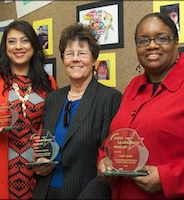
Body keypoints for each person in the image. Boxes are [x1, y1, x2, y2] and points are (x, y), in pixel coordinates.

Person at [97, 12, 184, 199]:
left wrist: (167, 178)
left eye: (161, 38)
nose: (152, 45)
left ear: (176, 42)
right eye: (143, 40)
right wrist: (104, 160)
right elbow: (117, 137)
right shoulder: (133, 86)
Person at [33, 22, 122, 199]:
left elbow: (110, 162)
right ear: (63, 59)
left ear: (94, 59)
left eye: (82, 53)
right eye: (69, 54)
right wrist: (39, 165)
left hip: (83, 194)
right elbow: (46, 148)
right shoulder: (53, 99)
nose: (75, 59)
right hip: (45, 192)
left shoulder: (109, 98)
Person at [0, 20, 57, 199]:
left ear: (34, 45)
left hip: (35, 173)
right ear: (4, 47)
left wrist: (48, 157)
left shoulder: (48, 82)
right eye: (12, 41)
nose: (18, 46)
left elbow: (52, 128)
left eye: (24, 40)